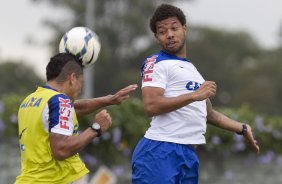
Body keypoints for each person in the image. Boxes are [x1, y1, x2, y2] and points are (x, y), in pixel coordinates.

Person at [132, 4, 260, 184]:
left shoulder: (192, 70)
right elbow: (151, 105)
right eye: (162, 31)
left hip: (188, 155)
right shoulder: (155, 62)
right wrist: (194, 95)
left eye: (174, 28)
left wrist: (243, 128)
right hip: (159, 152)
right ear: (156, 37)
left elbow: (208, 113)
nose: (169, 34)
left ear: (184, 29)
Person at [15, 53, 137, 184]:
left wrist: (109, 100)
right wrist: (95, 128)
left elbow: (72, 110)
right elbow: (61, 150)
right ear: (72, 78)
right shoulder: (60, 101)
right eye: (81, 83)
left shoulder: (30, 101)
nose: (80, 89)